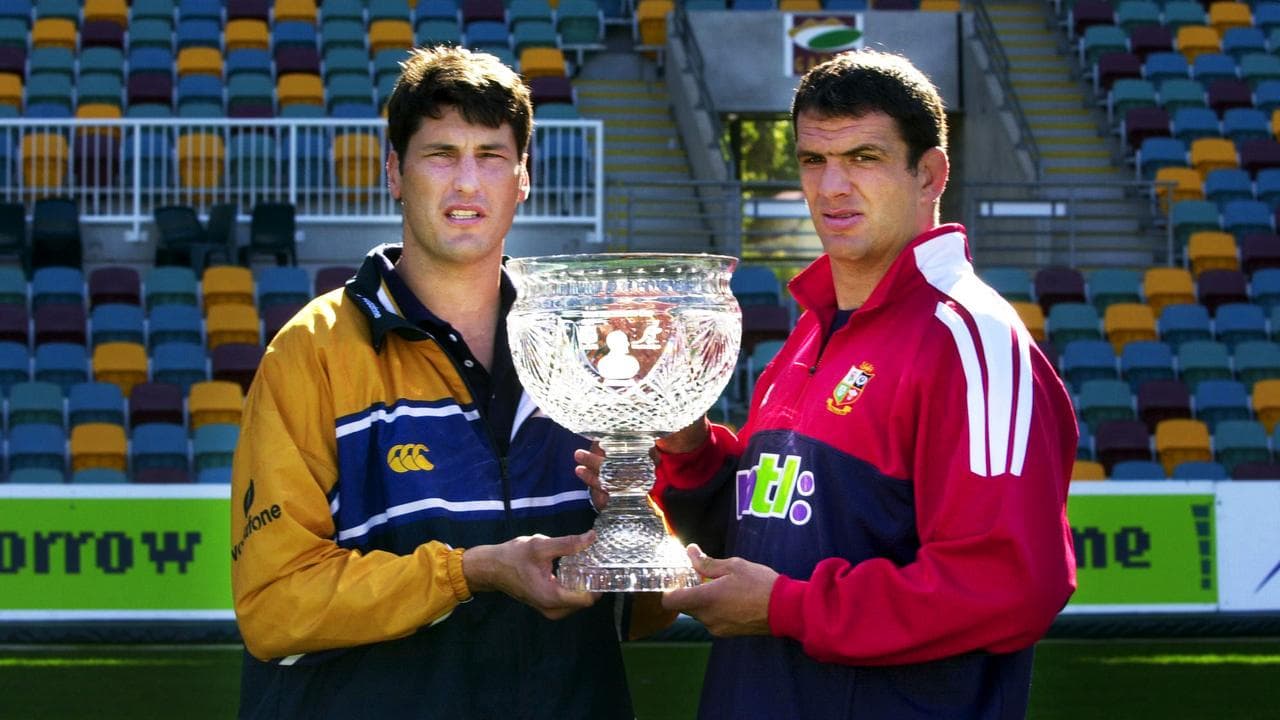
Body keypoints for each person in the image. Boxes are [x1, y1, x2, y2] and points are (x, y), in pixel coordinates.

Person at [578, 49, 1078, 718]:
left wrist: (787, 608)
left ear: (930, 174)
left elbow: (1011, 585)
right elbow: (777, 528)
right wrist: (686, 451)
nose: (831, 187)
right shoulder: (812, 331)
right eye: (814, 160)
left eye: (863, 158)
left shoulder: (971, 340)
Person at [231, 46, 639, 718]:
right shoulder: (311, 351)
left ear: (523, 177)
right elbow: (275, 605)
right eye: (441, 154)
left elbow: (639, 607)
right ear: (395, 171)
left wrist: (631, 520)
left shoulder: (582, 348)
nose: (467, 183)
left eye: (490, 155)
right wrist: (469, 571)